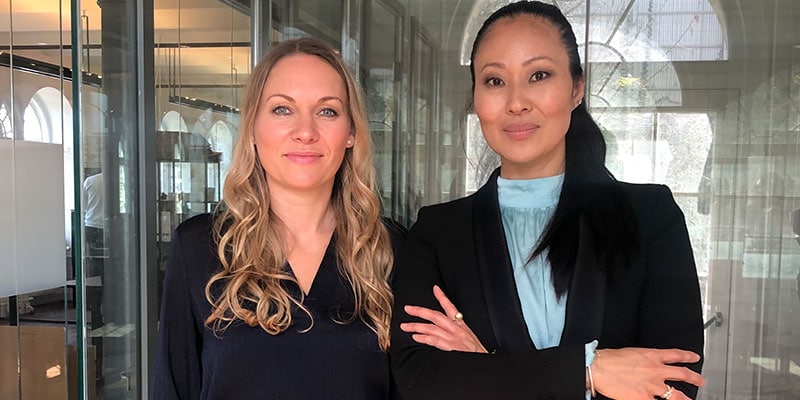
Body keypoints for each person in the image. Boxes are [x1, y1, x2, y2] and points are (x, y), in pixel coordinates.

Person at [390, 2, 705, 399]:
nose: (516, 102)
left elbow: (674, 383)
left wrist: (487, 365)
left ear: (577, 89)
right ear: (476, 97)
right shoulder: (438, 231)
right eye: (494, 81)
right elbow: (419, 378)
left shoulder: (650, 216)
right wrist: (588, 370)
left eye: (539, 75)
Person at [151, 37, 404, 399]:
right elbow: (173, 386)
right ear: (253, 128)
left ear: (351, 133)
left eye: (327, 111)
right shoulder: (200, 246)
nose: (305, 132)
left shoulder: (390, 249)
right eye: (283, 109)